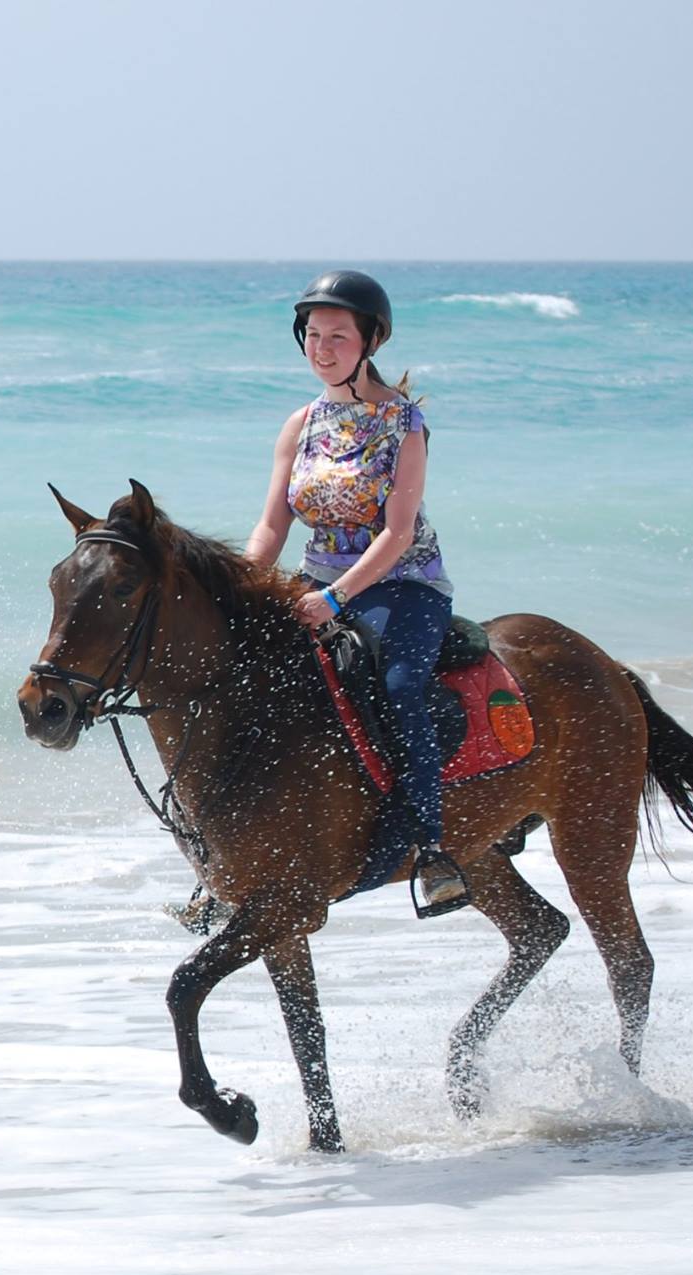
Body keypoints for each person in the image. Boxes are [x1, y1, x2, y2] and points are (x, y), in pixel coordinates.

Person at [241, 270, 472, 916]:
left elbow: (398, 534)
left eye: (337, 336)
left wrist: (336, 598)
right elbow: (272, 526)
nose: (322, 349)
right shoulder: (301, 424)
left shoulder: (404, 424)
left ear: (370, 341)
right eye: (313, 335)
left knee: (399, 686)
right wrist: (242, 585)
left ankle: (431, 848)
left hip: (403, 583)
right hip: (316, 580)